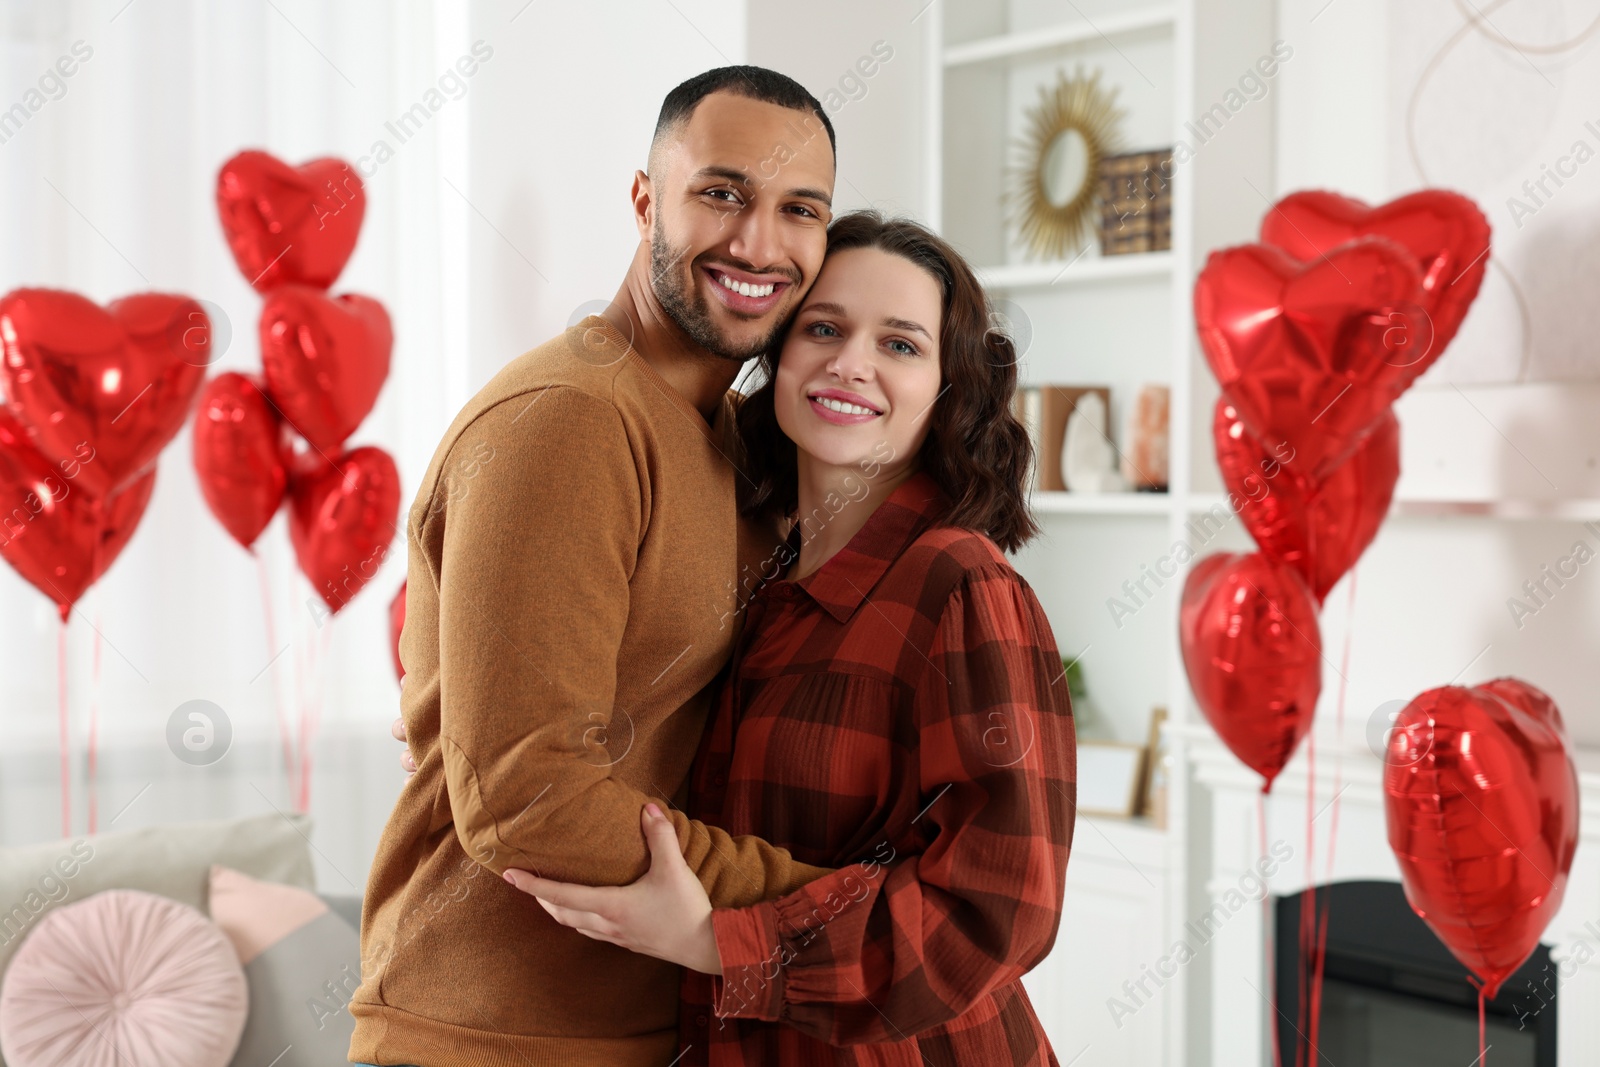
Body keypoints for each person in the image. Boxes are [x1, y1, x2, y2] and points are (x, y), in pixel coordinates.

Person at [350, 66, 848, 1067]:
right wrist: (818, 900)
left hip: (643, 1026)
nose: (759, 242)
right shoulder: (572, 420)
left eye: (800, 209)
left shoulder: (731, 441)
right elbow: (525, 793)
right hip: (485, 1036)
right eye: (721, 192)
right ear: (643, 200)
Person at [501, 211, 1078, 1065]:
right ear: (777, 355)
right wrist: (481, 723)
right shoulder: (751, 576)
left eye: (902, 345)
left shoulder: (960, 586)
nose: (852, 363)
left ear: (948, 391)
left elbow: (1001, 907)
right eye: (824, 328)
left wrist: (720, 945)